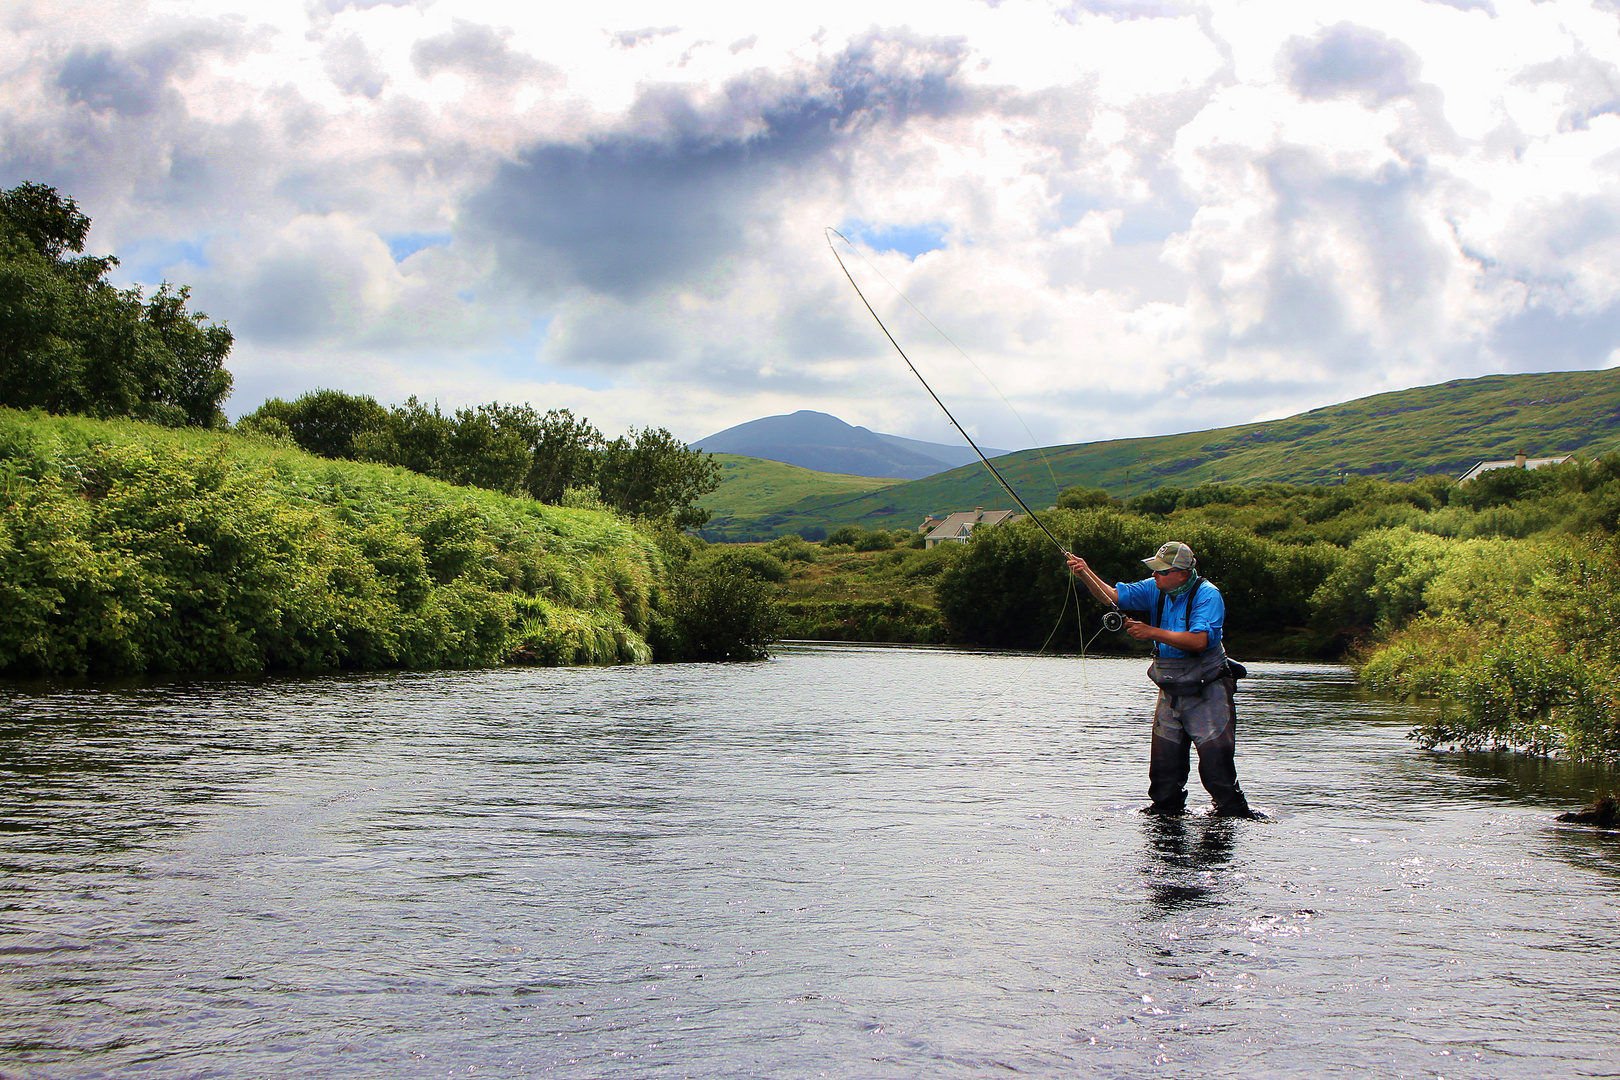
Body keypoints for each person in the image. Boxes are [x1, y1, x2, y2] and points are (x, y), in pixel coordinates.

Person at [1066, 541, 1254, 818]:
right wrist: (1084, 572)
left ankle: (1232, 817)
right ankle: (1165, 818)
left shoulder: (1207, 595)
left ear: (1183, 572)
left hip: (1209, 689)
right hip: (1171, 689)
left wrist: (1151, 632)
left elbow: (1200, 641)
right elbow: (1113, 596)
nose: (1156, 575)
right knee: (1164, 776)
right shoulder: (1156, 588)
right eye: (1154, 570)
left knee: (1217, 772)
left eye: (1162, 571)